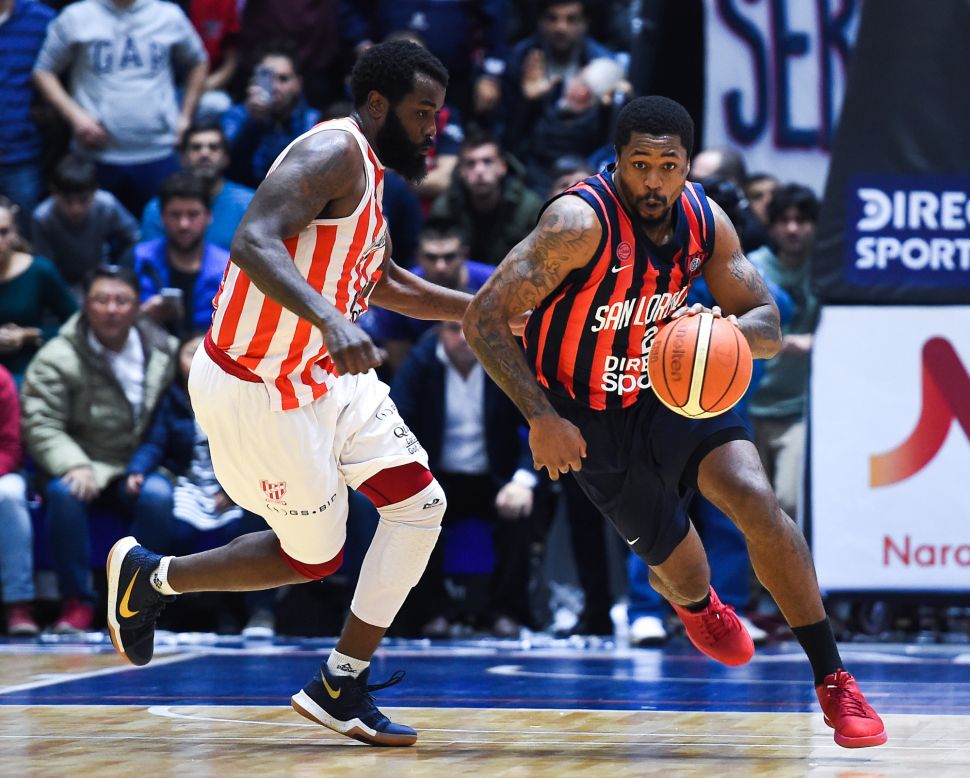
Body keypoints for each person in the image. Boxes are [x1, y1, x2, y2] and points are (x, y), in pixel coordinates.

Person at [463, 96, 887, 749]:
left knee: (755, 497)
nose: (654, 181)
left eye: (668, 166)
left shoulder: (704, 221)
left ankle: (835, 680)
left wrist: (724, 333)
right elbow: (483, 319)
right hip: (588, 415)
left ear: (687, 165)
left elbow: (768, 324)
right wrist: (540, 418)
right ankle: (696, 604)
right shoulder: (577, 224)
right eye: (640, 165)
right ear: (617, 161)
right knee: (685, 574)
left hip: (671, 391)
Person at [103, 40, 480, 748]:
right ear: (377, 104)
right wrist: (332, 320)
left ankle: (342, 681)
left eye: (438, 113)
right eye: (422, 111)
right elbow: (253, 240)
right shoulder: (333, 152)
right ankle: (153, 580)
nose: (434, 127)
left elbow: (383, 280)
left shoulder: (373, 175)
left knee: (420, 504)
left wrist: (479, 312)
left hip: (321, 374)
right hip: (256, 385)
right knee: (316, 558)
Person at [21, 265, 177, 632]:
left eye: (121, 301)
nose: (111, 309)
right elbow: (41, 421)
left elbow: (171, 418)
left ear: (137, 306)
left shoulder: (163, 349)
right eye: (101, 300)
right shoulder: (57, 355)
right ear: (85, 304)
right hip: (84, 461)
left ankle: (141, 602)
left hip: (140, 463)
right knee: (64, 493)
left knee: (158, 497)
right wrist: (73, 464)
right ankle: (76, 601)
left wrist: (146, 463)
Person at [390, 321, 537, 637]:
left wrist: (523, 480)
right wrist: (413, 480)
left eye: (471, 328)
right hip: (436, 477)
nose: (464, 338)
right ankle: (432, 613)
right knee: (412, 511)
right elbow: (396, 423)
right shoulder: (421, 362)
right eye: (454, 329)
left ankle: (506, 612)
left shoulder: (504, 362)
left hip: (495, 479)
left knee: (522, 514)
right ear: (438, 332)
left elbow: (537, 423)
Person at [32, 0, 209, 220]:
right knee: (98, 233)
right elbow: (43, 71)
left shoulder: (168, 15)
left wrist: (185, 116)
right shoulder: (76, 16)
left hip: (157, 149)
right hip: (97, 153)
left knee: (158, 229)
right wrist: (75, 117)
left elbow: (198, 62)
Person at [746, 184, 820, 525]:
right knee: (750, 510)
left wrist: (817, 343)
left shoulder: (824, 269)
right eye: (784, 220)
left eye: (801, 221)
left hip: (797, 410)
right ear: (772, 226)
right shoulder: (751, 268)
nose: (792, 229)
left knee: (788, 501)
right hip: (750, 408)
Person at [362, 219, 493, 374]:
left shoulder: (492, 284)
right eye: (431, 257)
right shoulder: (398, 291)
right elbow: (399, 363)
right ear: (418, 257)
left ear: (464, 255)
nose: (440, 266)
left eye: (449, 257)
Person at [132, 171, 229, 337]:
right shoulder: (138, 259)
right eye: (175, 215)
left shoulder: (228, 268)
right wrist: (142, 315)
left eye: (193, 215)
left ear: (209, 216)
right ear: (162, 217)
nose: (184, 224)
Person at [428, 127, 543, 267]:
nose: (479, 170)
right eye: (470, 163)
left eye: (487, 161)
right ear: (461, 171)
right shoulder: (445, 208)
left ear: (502, 167)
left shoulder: (529, 208)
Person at [31, 154, 140, 292]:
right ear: (54, 193)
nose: (75, 209)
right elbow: (45, 264)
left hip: (101, 276)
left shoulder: (107, 205)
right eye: (68, 201)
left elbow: (134, 238)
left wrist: (118, 270)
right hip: (63, 283)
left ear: (95, 192)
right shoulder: (43, 217)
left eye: (83, 200)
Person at [141, 121, 255, 251]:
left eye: (213, 147)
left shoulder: (249, 204)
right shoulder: (159, 208)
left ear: (226, 158)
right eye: (196, 148)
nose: (204, 154)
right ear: (183, 158)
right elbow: (150, 258)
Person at [222, 40, 322, 188]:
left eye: (283, 79)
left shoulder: (313, 121)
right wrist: (253, 123)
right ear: (254, 80)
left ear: (298, 84)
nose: (275, 87)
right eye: (267, 78)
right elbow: (226, 168)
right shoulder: (236, 116)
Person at [0, 196, 77, 384]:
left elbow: (78, 325)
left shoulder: (39, 270)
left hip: (30, 372)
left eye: (3, 232)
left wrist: (29, 335)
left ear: (15, 232)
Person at [0, 0, 56, 235]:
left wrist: (47, 108)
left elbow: (62, 70)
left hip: (20, 152)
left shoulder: (42, 20)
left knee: (25, 233)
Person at [0, 363, 37, 635]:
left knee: (10, 496)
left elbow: (11, 446)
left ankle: (18, 602)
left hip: (2, 471)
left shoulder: (1, 379)